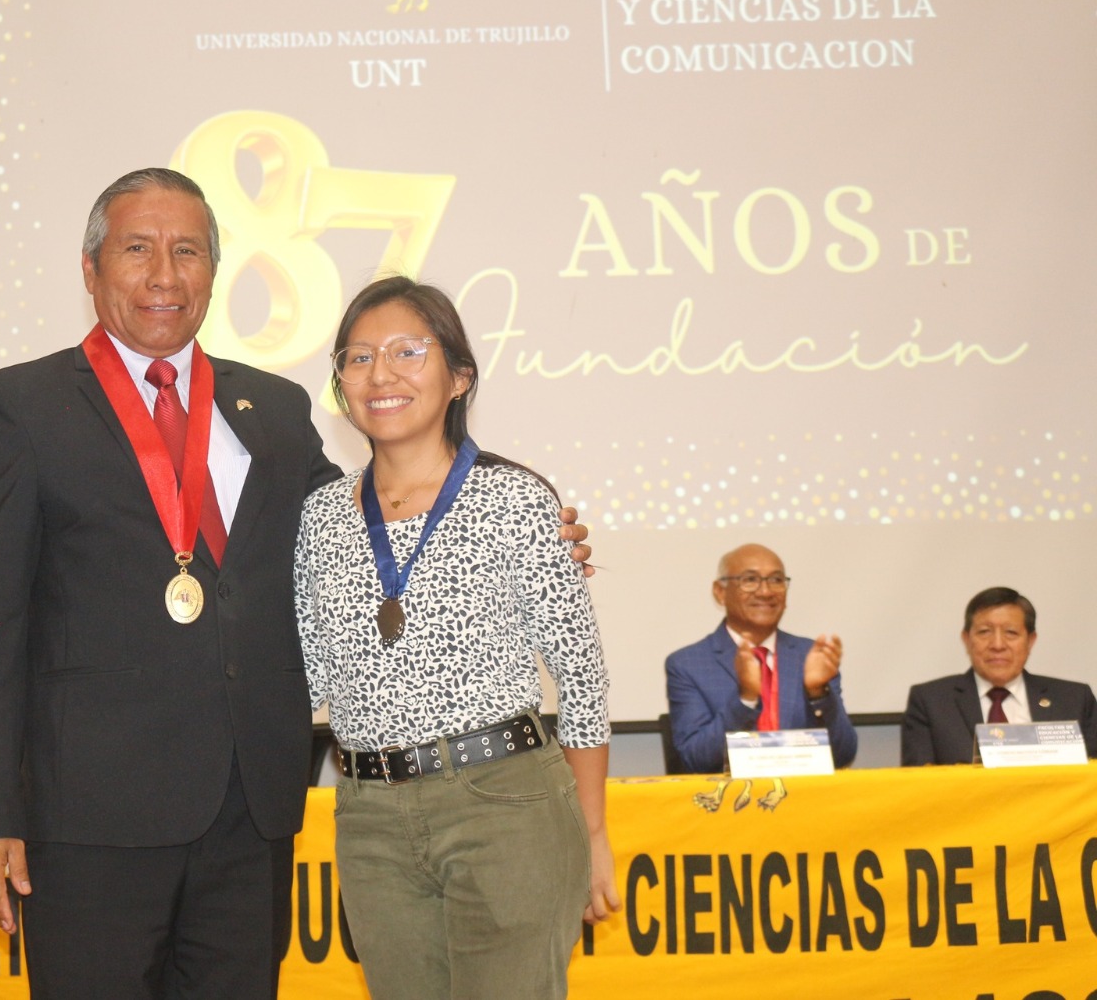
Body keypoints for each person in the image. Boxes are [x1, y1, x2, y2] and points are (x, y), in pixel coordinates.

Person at [0, 170, 593, 999]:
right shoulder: (21, 406)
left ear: (214, 273)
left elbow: (367, 528)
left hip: (247, 815)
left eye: (188, 252)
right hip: (91, 821)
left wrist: (526, 532)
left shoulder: (274, 408)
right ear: (90, 268)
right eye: (137, 250)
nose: (164, 275)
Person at [294, 276, 618, 1000]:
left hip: (503, 804)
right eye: (357, 356)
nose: (381, 374)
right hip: (370, 816)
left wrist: (593, 832)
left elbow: (583, 677)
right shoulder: (318, 517)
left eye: (409, 351)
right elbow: (308, 675)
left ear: (459, 377)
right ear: (341, 384)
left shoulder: (516, 499)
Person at [664, 544, 857, 774]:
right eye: (750, 580)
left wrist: (819, 694)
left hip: (804, 800)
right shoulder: (688, 664)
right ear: (720, 592)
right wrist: (745, 700)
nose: (765, 592)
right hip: (732, 804)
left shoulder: (811, 655)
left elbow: (844, 754)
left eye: (776, 580)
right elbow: (697, 759)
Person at [901, 586, 1097, 765]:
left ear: (1030, 641)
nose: (997, 645)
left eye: (1011, 633)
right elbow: (919, 784)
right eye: (984, 632)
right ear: (966, 639)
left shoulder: (1075, 699)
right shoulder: (930, 702)